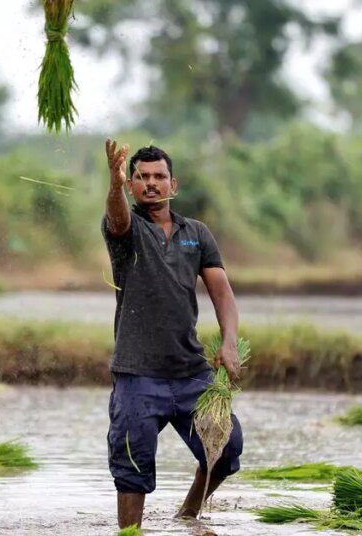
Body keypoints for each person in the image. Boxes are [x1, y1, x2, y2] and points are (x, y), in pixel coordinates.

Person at [101, 138, 244, 529]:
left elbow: (223, 293)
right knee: (132, 464)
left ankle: (188, 514)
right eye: (141, 177)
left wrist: (229, 342)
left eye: (158, 176)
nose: (151, 183)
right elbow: (117, 218)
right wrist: (113, 184)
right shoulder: (125, 230)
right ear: (131, 185)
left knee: (227, 449)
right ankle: (130, 532)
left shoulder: (196, 233)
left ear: (173, 185)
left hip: (190, 373)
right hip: (137, 373)